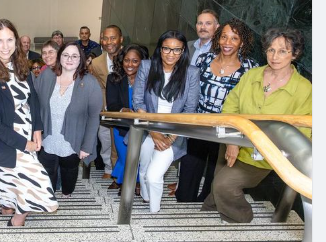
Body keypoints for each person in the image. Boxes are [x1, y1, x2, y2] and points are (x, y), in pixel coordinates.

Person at [201, 28, 311, 223]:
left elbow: (303, 130)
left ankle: (240, 218)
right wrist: (231, 142)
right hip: (231, 140)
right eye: (270, 50)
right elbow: (230, 106)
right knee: (218, 183)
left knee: (223, 185)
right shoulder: (252, 75)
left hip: (264, 154)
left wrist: (272, 149)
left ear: (295, 54)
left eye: (283, 51)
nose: (275, 56)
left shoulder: (304, 89)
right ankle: (207, 216)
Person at [0, 19, 58, 227]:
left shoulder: (20, 65)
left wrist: (37, 127)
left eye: (10, 39)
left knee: (15, 178)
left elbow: (33, 98)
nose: (5, 46)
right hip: (4, 138)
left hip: (26, 130)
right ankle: (17, 217)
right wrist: (24, 143)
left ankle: (9, 207)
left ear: (16, 41)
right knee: (35, 179)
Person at [176, 19, 259, 202]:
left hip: (226, 130)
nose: (227, 43)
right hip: (199, 125)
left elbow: (248, 102)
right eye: (224, 37)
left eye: (234, 38)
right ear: (218, 38)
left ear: (242, 42)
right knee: (189, 169)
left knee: (215, 175)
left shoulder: (249, 68)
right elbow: (190, 91)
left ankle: (206, 209)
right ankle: (184, 204)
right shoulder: (204, 59)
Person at [133, 30, 199, 213]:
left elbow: (189, 110)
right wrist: (154, 132)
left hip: (174, 132)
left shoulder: (191, 73)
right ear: (160, 49)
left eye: (177, 50)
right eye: (167, 49)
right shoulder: (147, 67)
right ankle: (146, 198)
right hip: (148, 128)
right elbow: (138, 101)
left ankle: (155, 211)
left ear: (183, 51)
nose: (171, 54)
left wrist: (169, 139)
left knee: (154, 176)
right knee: (144, 168)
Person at [35, 42, 102, 197]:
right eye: (66, 55)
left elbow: (93, 117)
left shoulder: (90, 83)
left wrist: (87, 146)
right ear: (60, 57)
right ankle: (47, 197)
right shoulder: (46, 76)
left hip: (73, 139)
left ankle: (67, 193)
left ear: (81, 59)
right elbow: (35, 103)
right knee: (47, 170)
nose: (69, 59)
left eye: (74, 56)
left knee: (69, 170)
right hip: (48, 137)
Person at [106, 44, 149, 193]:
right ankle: (129, 184)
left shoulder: (148, 80)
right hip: (122, 126)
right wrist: (123, 110)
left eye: (135, 61)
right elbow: (111, 103)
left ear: (142, 62)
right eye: (126, 60)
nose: (129, 65)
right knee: (126, 156)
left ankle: (122, 178)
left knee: (138, 155)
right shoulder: (113, 78)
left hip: (143, 126)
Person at [89, 25, 124, 179]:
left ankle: (122, 170)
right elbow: (97, 87)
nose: (109, 42)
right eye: (105, 38)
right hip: (105, 109)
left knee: (123, 142)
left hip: (126, 108)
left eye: (113, 38)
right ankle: (109, 169)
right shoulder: (96, 63)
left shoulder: (130, 58)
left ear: (120, 39)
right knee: (105, 139)